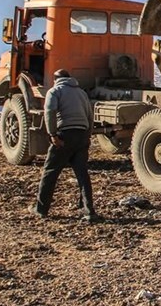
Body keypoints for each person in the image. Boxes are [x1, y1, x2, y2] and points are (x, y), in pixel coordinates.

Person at [29, 69, 100, 222]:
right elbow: (90, 115)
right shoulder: (81, 93)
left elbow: (50, 112)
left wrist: (52, 134)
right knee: (82, 174)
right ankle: (88, 210)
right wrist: (87, 136)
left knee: (50, 171)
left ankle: (41, 209)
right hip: (82, 135)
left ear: (55, 79)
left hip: (65, 135)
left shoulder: (55, 91)